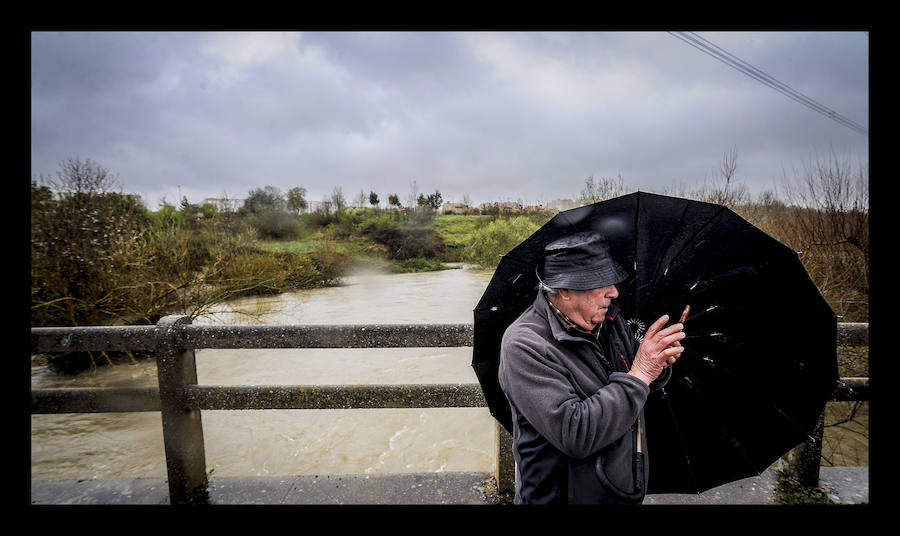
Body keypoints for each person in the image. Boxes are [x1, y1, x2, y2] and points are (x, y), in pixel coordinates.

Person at [498, 231, 685, 504]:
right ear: (564, 290)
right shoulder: (524, 345)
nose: (614, 291)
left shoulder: (609, 318)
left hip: (617, 490)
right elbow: (576, 433)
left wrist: (657, 363)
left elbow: (634, 378)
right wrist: (642, 372)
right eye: (601, 282)